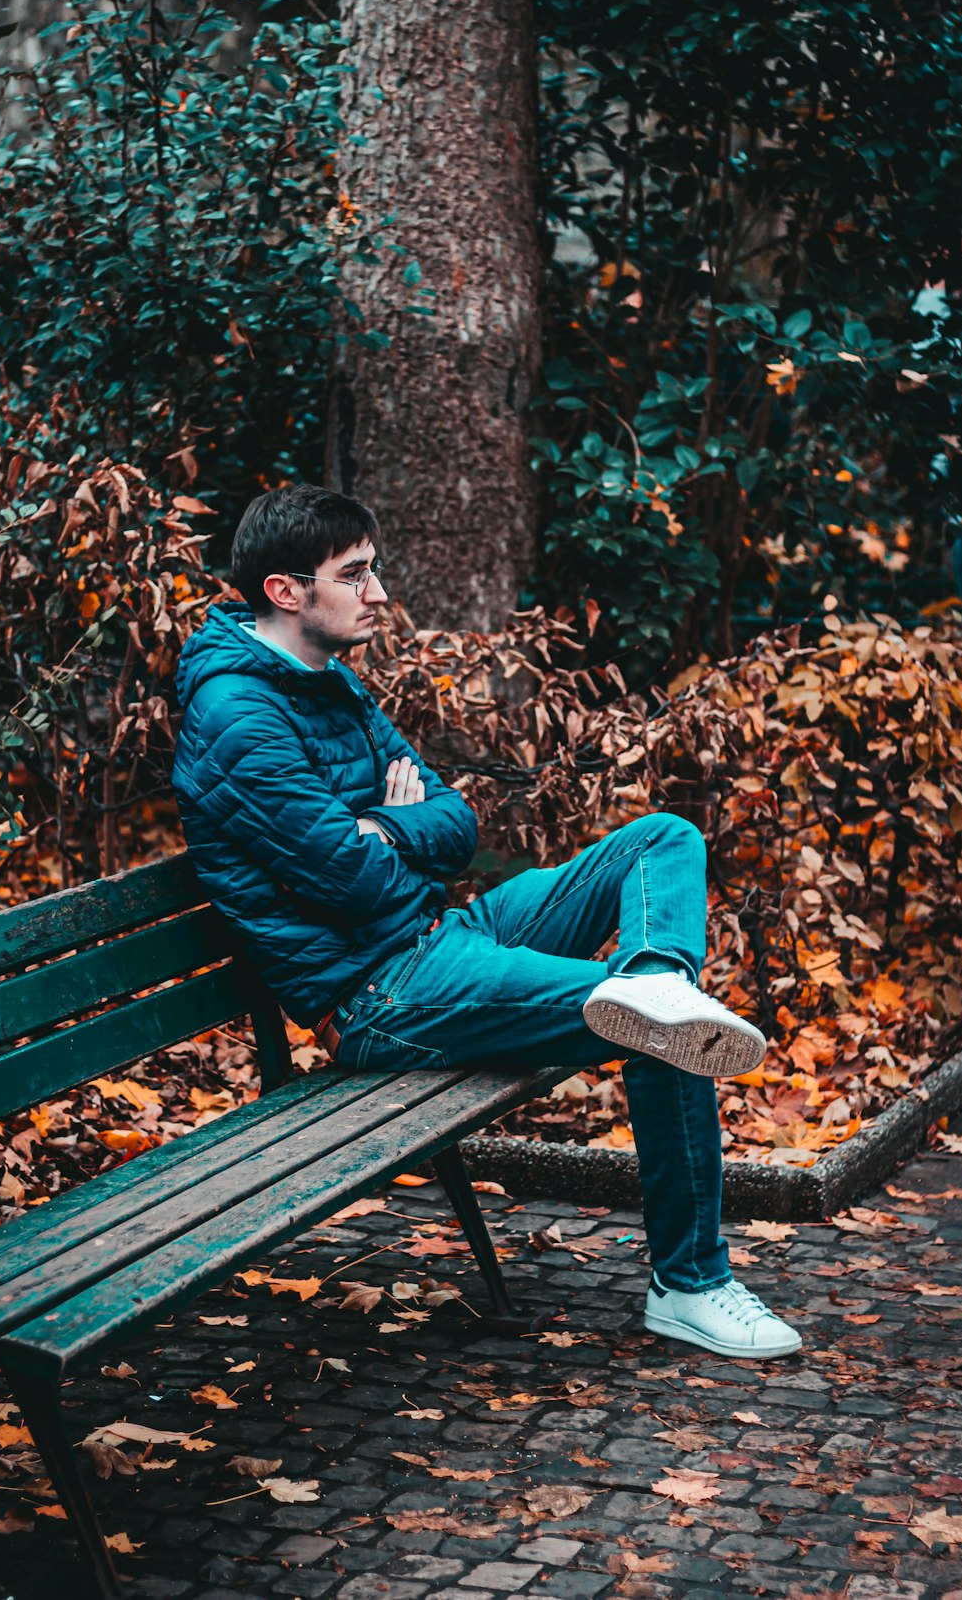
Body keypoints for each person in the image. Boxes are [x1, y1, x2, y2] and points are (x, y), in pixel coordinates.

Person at [172, 485, 802, 1360]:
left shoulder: (329, 684)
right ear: (286, 592)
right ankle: (690, 1287)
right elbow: (350, 885)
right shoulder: (238, 715)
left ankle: (656, 974)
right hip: (378, 994)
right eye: (355, 575)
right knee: (674, 1034)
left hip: (440, 938)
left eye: (373, 570)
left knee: (662, 839)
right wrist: (393, 837)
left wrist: (383, 825)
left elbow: (457, 823)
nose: (379, 593)